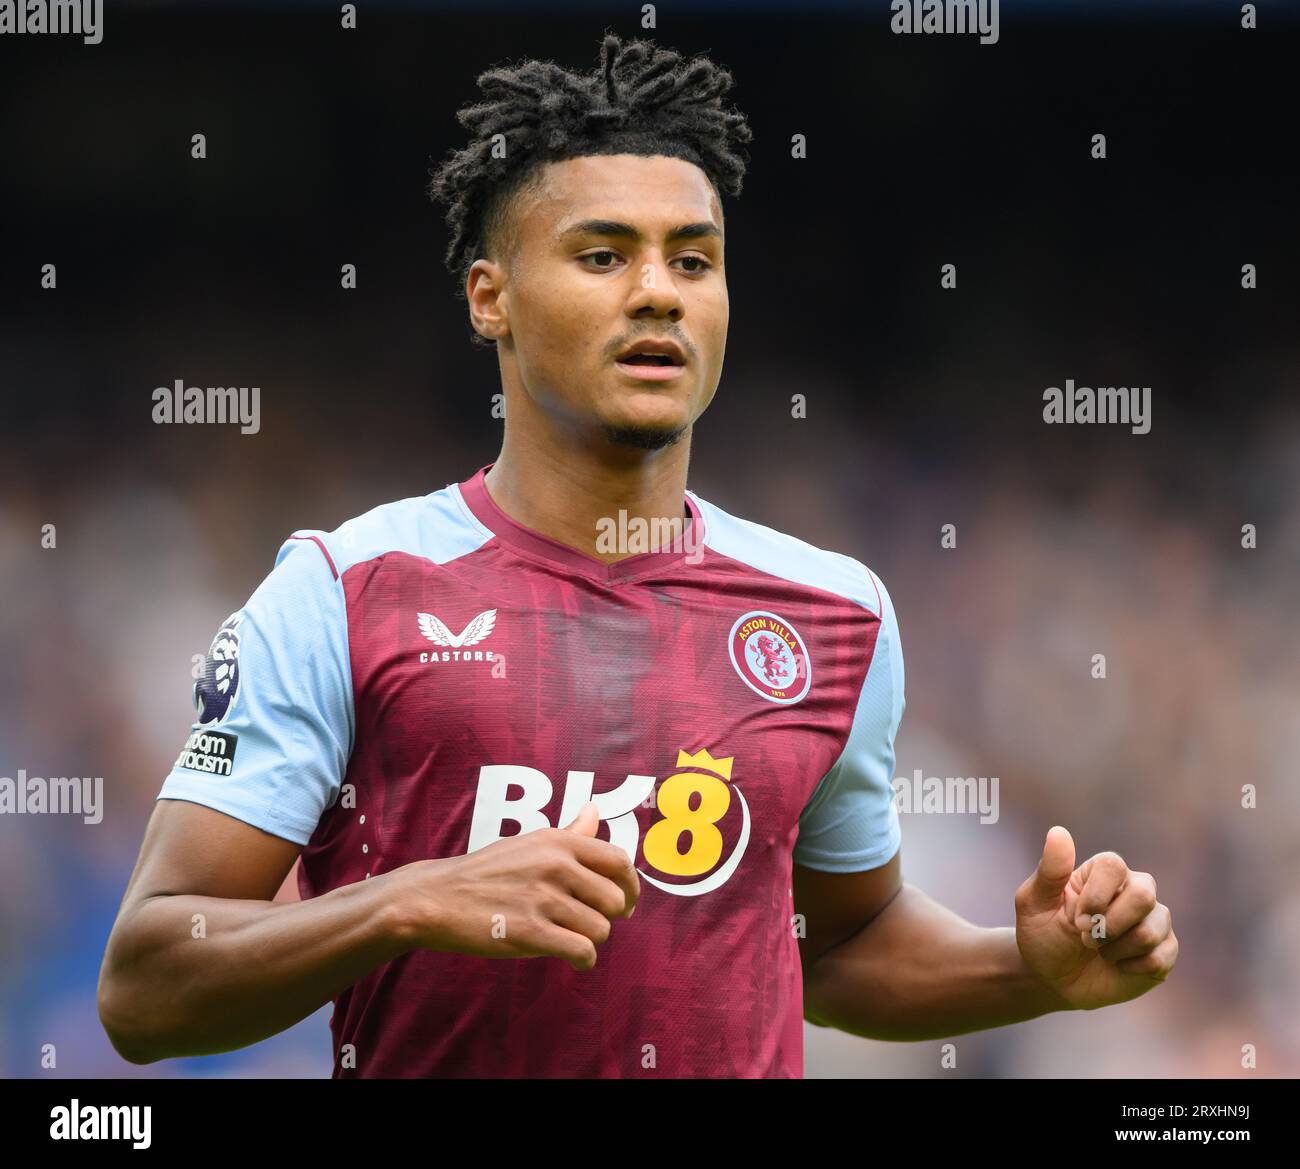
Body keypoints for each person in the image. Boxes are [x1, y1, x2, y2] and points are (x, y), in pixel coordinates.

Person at [97, 33, 1176, 1078]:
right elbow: (145, 987)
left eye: (693, 260)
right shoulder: (342, 591)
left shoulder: (834, 615)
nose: (658, 290)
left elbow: (838, 947)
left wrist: (1026, 967)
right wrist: (409, 899)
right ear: (491, 299)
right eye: (603, 254)